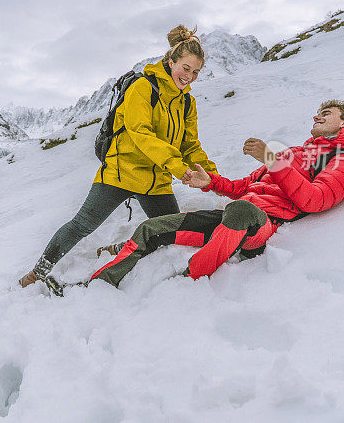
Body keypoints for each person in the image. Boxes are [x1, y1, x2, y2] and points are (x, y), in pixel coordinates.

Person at [90, 100, 344, 287]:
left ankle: (187, 280)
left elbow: (313, 201)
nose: (316, 116)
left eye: (326, 114)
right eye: (318, 112)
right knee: (151, 228)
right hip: (231, 219)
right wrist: (209, 182)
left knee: (241, 211)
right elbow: (243, 187)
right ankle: (98, 284)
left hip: (261, 226)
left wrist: (273, 161)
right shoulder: (296, 153)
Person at [20, 25, 218, 288]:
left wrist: (212, 176)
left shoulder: (186, 103)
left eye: (195, 72)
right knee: (82, 225)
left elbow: (190, 144)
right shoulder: (143, 88)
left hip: (155, 181)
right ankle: (37, 272)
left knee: (171, 231)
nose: (189, 76)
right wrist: (176, 167)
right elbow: (141, 133)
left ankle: (120, 248)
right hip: (120, 173)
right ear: (170, 61)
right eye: (185, 68)